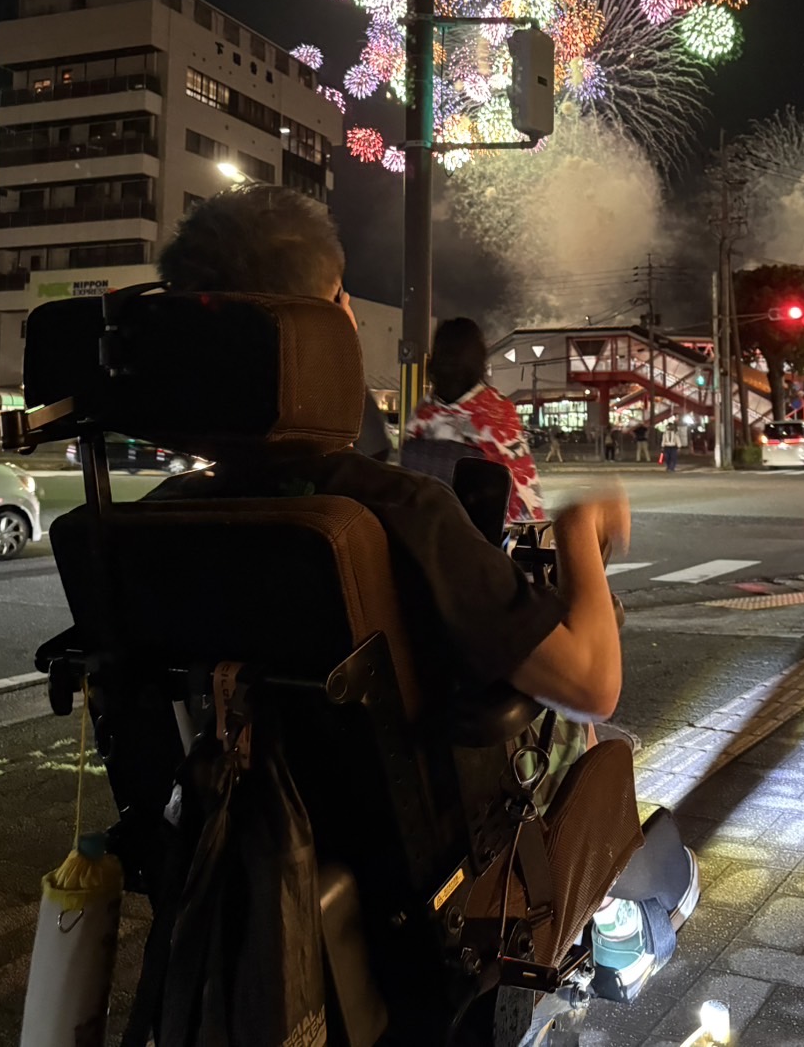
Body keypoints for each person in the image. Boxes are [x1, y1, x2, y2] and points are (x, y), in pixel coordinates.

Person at [154, 186, 694, 1000]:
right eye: (339, 299)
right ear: (310, 332)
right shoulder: (394, 513)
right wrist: (582, 532)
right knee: (604, 752)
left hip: (231, 848)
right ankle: (616, 936)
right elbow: (592, 681)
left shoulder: (155, 522)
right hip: (430, 881)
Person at [406, 318, 545, 523]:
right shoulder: (496, 413)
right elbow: (525, 497)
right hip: (479, 544)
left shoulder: (421, 415)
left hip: (422, 538)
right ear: (478, 360)